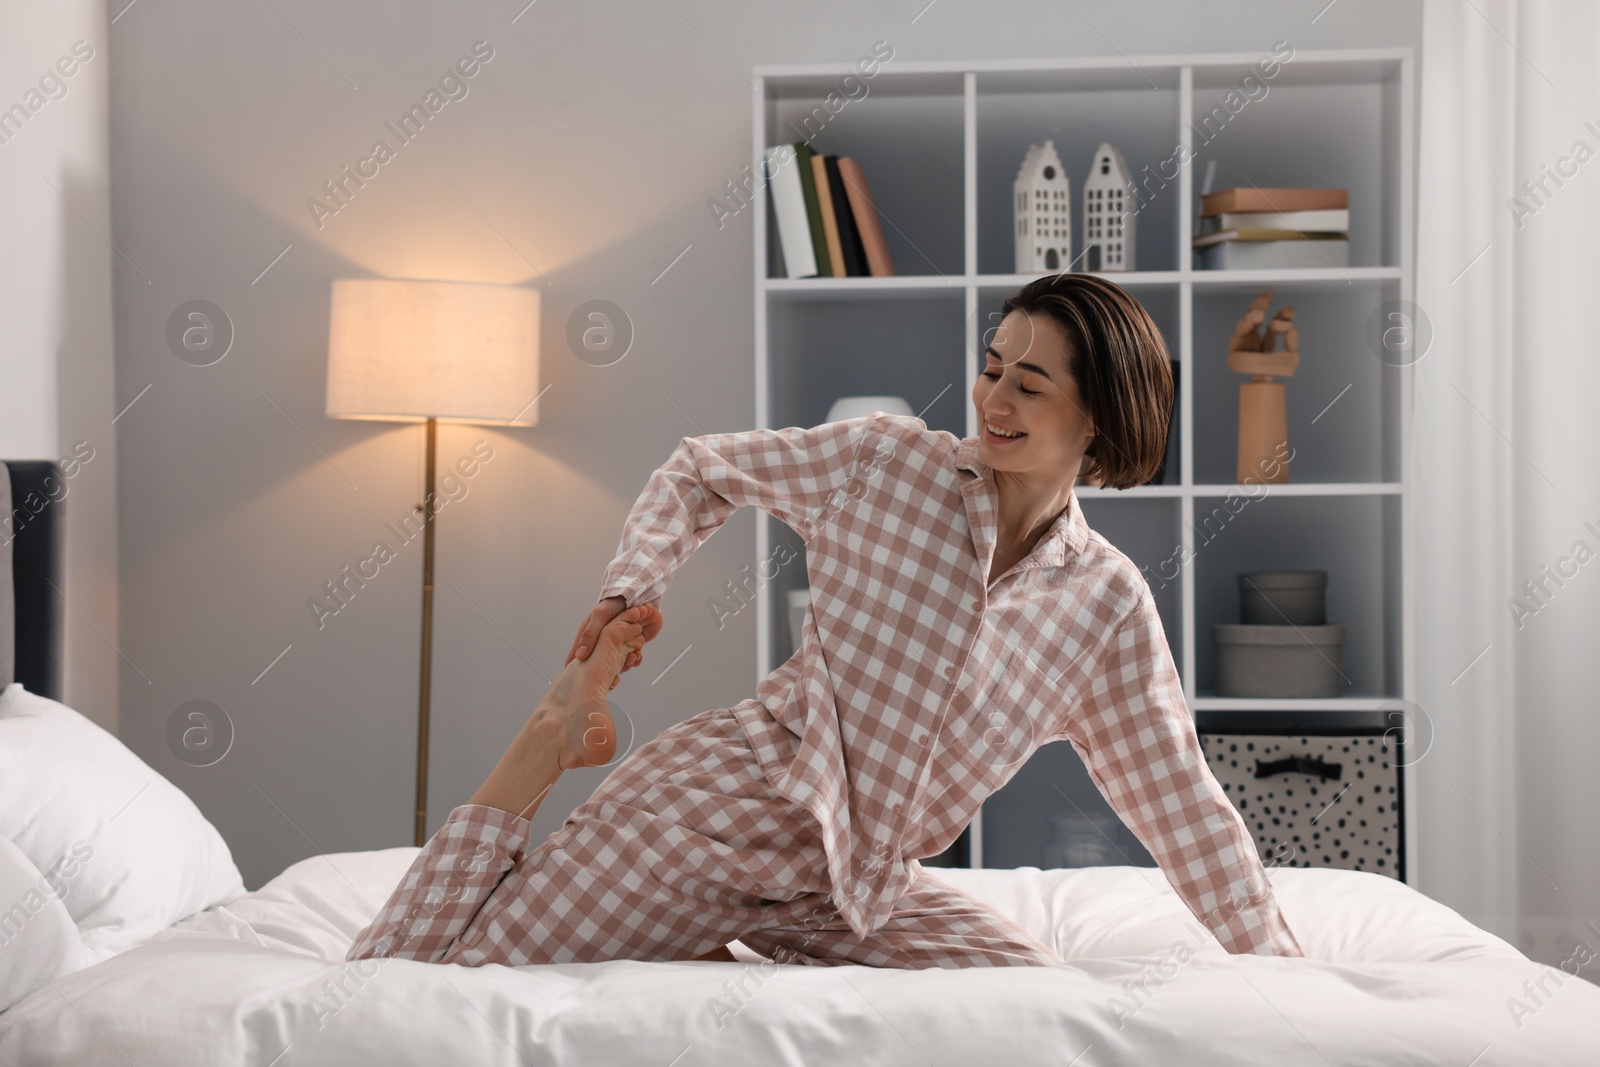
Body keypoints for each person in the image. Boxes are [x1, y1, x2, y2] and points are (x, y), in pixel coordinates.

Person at [347, 273, 1306, 969]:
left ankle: (716, 962)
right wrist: (628, 589)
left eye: (1030, 382)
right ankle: (542, 740)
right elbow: (698, 466)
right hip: (713, 816)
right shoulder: (886, 464)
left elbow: (1184, 806)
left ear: (1098, 417)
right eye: (991, 365)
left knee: (1032, 1000)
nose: (992, 397)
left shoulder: (1103, 606)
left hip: (855, 890)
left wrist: (1291, 974)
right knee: (425, 980)